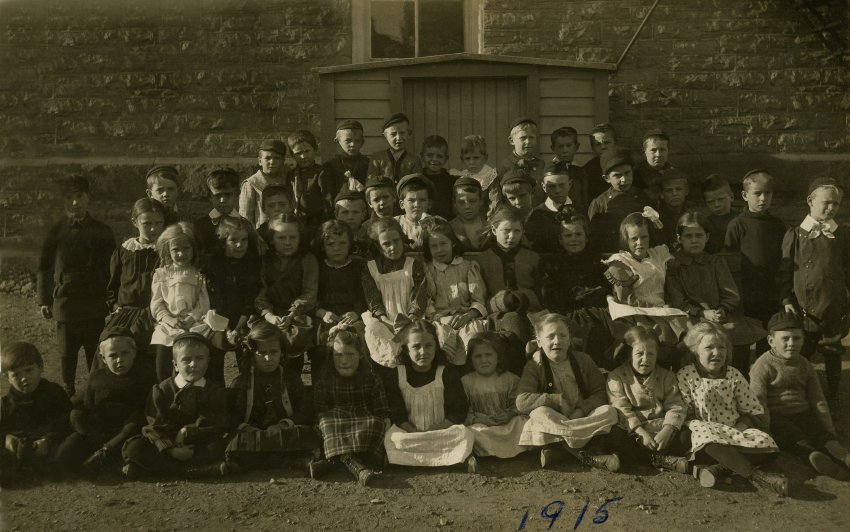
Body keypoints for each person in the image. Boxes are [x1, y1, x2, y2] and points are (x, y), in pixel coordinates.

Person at [677, 323, 788, 496]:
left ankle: (717, 469)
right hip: (703, 433)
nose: (717, 352)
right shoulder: (686, 375)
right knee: (707, 440)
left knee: (768, 446)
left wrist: (738, 429)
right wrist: (714, 432)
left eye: (722, 347)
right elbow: (685, 411)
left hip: (733, 429)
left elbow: (751, 408)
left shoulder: (733, 374)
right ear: (695, 351)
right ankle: (757, 476)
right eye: (709, 348)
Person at [38, 175, 116, 397]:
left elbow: (112, 269)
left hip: (93, 301)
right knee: (66, 354)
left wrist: (111, 299)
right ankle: (68, 391)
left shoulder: (102, 230)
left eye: (79, 196)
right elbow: (44, 267)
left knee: (95, 352)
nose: (75, 202)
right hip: (66, 302)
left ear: (88, 198)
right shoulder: (55, 232)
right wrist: (44, 300)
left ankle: (94, 394)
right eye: (69, 198)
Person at [750, 311, 850, 479]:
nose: (791, 344)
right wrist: (765, 431)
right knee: (795, 438)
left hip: (802, 413)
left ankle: (843, 456)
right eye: (785, 339)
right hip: (777, 417)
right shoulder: (762, 366)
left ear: (803, 339)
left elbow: (818, 399)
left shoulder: (805, 364)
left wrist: (829, 429)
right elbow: (759, 402)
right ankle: (815, 457)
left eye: (797, 338)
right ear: (771, 341)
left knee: (820, 433)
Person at [777, 177, 850, 404]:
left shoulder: (842, 236)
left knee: (832, 350)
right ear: (810, 201)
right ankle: (796, 392)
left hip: (833, 304)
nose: (830, 208)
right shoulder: (796, 235)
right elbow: (785, 271)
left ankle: (833, 394)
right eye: (826, 203)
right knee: (802, 351)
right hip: (804, 306)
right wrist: (786, 298)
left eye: (835, 204)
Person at [665, 212, 766, 376]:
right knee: (693, 339)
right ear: (679, 238)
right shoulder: (673, 265)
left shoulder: (715, 262)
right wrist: (702, 312)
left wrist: (722, 310)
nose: (694, 240)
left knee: (731, 333)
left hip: (718, 315)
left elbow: (731, 294)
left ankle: (732, 380)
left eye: (699, 235)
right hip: (687, 317)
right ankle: (692, 382)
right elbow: (677, 300)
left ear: (707, 237)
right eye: (688, 236)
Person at [515, 314, 620, 471]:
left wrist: (581, 409)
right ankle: (585, 455)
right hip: (556, 419)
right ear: (538, 341)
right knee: (539, 414)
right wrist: (556, 400)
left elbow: (600, 392)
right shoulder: (534, 366)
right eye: (550, 336)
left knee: (609, 411)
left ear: (570, 339)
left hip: (582, 418)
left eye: (562, 335)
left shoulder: (583, 360)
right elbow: (521, 401)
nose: (557, 341)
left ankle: (560, 449)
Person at [121, 332, 229, 479]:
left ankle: (153, 471)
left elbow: (215, 420)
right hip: (167, 444)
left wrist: (188, 431)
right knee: (135, 448)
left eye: (199, 358)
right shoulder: (163, 389)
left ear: (208, 361)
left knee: (217, 447)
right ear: (175, 365)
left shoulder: (213, 390)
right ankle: (192, 471)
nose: (193, 364)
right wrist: (171, 450)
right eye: (186, 359)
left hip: (196, 442)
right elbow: (153, 425)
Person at [224, 323, 320, 476]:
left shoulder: (290, 378)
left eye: (274, 352)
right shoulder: (241, 381)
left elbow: (305, 409)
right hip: (253, 434)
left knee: (309, 435)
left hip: (282, 433)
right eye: (262, 353)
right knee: (234, 442)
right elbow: (230, 415)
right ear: (252, 353)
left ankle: (257, 462)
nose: (268, 358)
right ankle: (291, 461)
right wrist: (246, 427)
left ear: (282, 352)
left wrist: (284, 424)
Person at [55, 327, 151, 477]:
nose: (120, 360)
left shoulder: (143, 377)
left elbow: (144, 412)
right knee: (69, 442)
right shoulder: (96, 377)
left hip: (126, 433)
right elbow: (88, 405)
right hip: (99, 430)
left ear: (134, 353)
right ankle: (95, 455)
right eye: (113, 355)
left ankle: (105, 455)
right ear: (103, 358)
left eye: (125, 353)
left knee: (135, 427)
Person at [383, 320, 476, 471]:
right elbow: (396, 413)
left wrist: (436, 430)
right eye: (416, 346)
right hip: (409, 433)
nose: (423, 352)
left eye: (428, 346)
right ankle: (450, 459)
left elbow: (458, 411)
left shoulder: (447, 373)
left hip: (442, 432)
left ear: (436, 346)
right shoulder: (396, 375)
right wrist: (412, 431)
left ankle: (406, 461)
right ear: (406, 349)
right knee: (394, 438)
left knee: (464, 434)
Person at [539, 207, 622, 370]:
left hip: (598, 312)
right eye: (568, 235)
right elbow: (550, 296)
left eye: (578, 234)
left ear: (586, 237)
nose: (574, 239)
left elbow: (606, 288)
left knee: (618, 331)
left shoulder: (597, 261)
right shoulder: (552, 264)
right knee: (584, 330)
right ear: (560, 239)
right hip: (568, 312)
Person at [312, 328, 392, 486]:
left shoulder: (371, 378)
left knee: (375, 423)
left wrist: (385, 419)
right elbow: (320, 410)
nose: (344, 361)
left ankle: (336, 460)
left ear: (361, 355)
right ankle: (354, 463)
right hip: (335, 419)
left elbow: (381, 408)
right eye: (338, 355)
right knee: (326, 424)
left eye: (350, 354)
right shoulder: (326, 379)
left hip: (361, 418)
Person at [606, 327, 689, 473]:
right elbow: (621, 408)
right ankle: (661, 459)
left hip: (661, 428)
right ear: (629, 354)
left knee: (686, 436)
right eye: (639, 353)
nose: (645, 359)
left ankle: (649, 457)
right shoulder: (617, 376)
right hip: (633, 431)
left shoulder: (667, 376)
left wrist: (668, 429)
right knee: (614, 435)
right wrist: (640, 432)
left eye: (651, 353)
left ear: (657, 354)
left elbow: (676, 405)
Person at [603, 212, 688, 350]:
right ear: (626, 240)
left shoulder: (657, 254)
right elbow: (625, 298)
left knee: (687, 329)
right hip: (636, 310)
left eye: (644, 237)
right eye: (634, 238)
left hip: (660, 308)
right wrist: (655, 307)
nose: (640, 243)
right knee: (654, 333)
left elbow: (675, 253)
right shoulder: (620, 261)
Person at [104, 198, 165, 373]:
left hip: (154, 315)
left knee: (150, 361)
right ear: (135, 222)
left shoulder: (166, 251)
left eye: (158, 223)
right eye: (147, 223)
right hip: (125, 314)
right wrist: (115, 307)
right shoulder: (124, 251)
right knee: (111, 348)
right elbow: (112, 286)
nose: (153, 228)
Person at [360, 218, 429, 368]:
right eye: (386, 244)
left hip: (411, 317)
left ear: (401, 239)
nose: (393, 247)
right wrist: (385, 320)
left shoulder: (413, 264)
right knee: (374, 331)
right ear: (378, 247)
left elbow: (419, 296)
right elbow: (373, 299)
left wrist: (409, 319)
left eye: (396, 241)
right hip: (384, 320)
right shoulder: (370, 268)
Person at [0, 342, 71, 486]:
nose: (24, 378)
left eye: (28, 370)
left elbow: (65, 421)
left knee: (69, 449)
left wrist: (48, 439)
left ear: (40, 367)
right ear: (6, 376)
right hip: (19, 447)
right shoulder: (6, 404)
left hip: (49, 444)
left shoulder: (54, 393)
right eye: (16, 375)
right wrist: (7, 439)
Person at [255, 214, 318, 377]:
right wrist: (269, 316)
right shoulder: (263, 261)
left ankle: (293, 385)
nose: (288, 242)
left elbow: (309, 291)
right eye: (281, 237)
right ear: (271, 239)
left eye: (292, 237)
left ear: (299, 237)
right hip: (269, 314)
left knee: (293, 339)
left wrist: (292, 313)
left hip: (297, 314)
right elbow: (260, 292)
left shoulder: (307, 259)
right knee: (262, 338)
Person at [202, 216, 262, 381]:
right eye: (233, 240)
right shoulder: (214, 265)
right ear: (223, 241)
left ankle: (246, 397)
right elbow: (214, 298)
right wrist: (226, 328)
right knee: (214, 360)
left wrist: (237, 328)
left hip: (243, 319)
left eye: (244, 240)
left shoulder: (251, 265)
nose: (239, 245)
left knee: (248, 363)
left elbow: (249, 299)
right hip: (217, 320)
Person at [724, 169, 785, 333]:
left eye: (768, 193)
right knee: (745, 335)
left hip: (771, 292)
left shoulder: (777, 225)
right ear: (745, 195)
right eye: (757, 193)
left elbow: (782, 258)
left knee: (768, 335)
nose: (763, 198)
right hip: (746, 293)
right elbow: (730, 263)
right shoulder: (737, 225)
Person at [150, 222, 210, 382]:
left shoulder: (198, 274)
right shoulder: (161, 274)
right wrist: (169, 319)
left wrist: (191, 317)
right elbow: (157, 304)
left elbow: (203, 303)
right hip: (169, 324)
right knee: (163, 356)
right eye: (176, 250)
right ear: (168, 251)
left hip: (194, 322)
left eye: (186, 249)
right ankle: (165, 387)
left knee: (193, 353)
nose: (181, 254)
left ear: (193, 249)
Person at [476, 205, 541, 352]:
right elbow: (479, 296)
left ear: (522, 232)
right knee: (513, 321)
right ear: (494, 230)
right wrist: (501, 301)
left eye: (517, 231)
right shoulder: (482, 260)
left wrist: (524, 297)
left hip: (531, 312)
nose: (512, 236)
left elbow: (541, 291)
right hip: (496, 315)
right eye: (506, 231)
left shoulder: (532, 258)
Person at [423, 219, 488, 364]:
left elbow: (478, 299)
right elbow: (427, 301)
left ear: (452, 243)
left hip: (467, 317)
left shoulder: (468, 267)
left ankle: (470, 372)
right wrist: (439, 318)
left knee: (473, 340)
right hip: (440, 320)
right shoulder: (428, 271)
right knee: (442, 341)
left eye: (443, 244)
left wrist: (468, 315)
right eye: (434, 246)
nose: (439, 249)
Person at [312, 220, 367, 377]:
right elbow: (310, 293)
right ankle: (322, 385)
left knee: (356, 338)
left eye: (342, 243)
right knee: (321, 341)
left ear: (350, 244)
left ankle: (357, 381)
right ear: (323, 246)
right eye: (331, 244)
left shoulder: (358, 266)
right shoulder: (317, 266)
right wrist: (320, 312)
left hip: (352, 315)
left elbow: (366, 293)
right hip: (325, 315)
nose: (337, 248)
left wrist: (357, 312)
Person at [462, 332, 528, 459]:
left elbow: (519, 404)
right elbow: (463, 411)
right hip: (482, 425)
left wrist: (509, 414)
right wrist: (479, 420)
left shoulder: (511, 379)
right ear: (470, 359)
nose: (484, 360)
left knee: (521, 422)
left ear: (498, 356)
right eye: (478, 356)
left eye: (488, 355)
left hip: (506, 424)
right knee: (471, 431)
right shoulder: (466, 381)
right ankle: (489, 451)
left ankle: (508, 449)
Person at [587, 147, 653, 254]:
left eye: (627, 173)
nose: (624, 179)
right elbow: (594, 239)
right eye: (617, 175)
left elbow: (653, 231)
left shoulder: (643, 198)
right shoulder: (599, 203)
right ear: (606, 178)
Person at [525, 161, 582, 253]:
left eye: (562, 185)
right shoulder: (537, 214)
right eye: (552, 186)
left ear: (570, 184)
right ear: (544, 187)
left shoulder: (581, 210)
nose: (557, 191)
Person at [288, 129, 334, 235]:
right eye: (298, 153)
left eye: (307, 151)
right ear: (292, 155)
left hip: (317, 226)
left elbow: (328, 202)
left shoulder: (321, 173)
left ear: (315, 149)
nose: (303, 156)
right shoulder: (291, 176)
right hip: (296, 226)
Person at [194, 168, 243, 265]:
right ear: (210, 197)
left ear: (237, 194)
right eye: (217, 195)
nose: (222, 200)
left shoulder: (244, 224)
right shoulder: (200, 226)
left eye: (228, 195)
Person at [240, 139, 289, 228]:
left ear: (283, 161)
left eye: (277, 158)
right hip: (261, 236)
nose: (272, 162)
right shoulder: (251, 184)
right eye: (268, 158)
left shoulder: (286, 181)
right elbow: (245, 218)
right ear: (260, 161)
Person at [496, 117, 545, 206]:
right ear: (511, 140)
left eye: (532, 137)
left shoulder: (541, 165)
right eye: (523, 138)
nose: (528, 141)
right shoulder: (504, 166)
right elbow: (498, 199)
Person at [394, 173, 442, 251]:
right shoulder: (394, 223)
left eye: (422, 200)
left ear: (429, 204)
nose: (417, 205)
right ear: (402, 204)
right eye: (411, 200)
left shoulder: (437, 223)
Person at [369, 113, 421, 183]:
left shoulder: (414, 160)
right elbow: (371, 183)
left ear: (409, 134)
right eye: (393, 134)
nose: (398, 138)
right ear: (385, 137)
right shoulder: (377, 159)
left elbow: (417, 185)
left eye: (402, 133)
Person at [452, 134, 499, 212]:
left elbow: (495, 202)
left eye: (476, 158)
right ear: (462, 160)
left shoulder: (490, 176)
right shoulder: (463, 176)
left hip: (486, 217)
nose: (472, 162)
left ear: (485, 158)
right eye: (467, 158)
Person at [323, 119, 370, 195]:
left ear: (362, 142)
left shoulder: (368, 164)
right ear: (337, 142)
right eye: (348, 141)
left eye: (357, 141)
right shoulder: (329, 166)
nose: (353, 144)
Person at [420, 135, 458, 220]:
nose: (434, 159)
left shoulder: (452, 181)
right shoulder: (418, 179)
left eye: (439, 156)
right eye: (430, 155)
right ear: (422, 156)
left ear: (446, 159)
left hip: (446, 224)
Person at [654, 169, 694, 249]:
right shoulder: (657, 220)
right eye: (669, 190)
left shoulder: (693, 217)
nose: (674, 193)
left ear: (686, 191)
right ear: (661, 194)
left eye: (679, 189)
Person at [700, 174, 739, 254]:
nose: (716, 204)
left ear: (731, 197)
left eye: (720, 199)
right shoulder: (705, 223)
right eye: (711, 201)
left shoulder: (741, 219)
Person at [633, 129, 678, 197]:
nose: (658, 154)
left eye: (662, 150)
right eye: (653, 150)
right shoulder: (636, 174)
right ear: (644, 151)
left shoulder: (673, 173)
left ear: (668, 150)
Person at [448, 176, 488, 251]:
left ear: (481, 201)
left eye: (472, 201)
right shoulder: (449, 228)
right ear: (454, 203)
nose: (467, 206)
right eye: (461, 202)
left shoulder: (489, 226)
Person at [549, 126, 586, 205]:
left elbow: (584, 197)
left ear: (577, 147)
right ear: (553, 148)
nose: (565, 150)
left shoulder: (581, 171)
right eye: (560, 146)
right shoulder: (549, 170)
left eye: (569, 146)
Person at [581, 123, 617, 202]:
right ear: (593, 148)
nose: (603, 147)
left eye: (607, 142)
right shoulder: (588, 170)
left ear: (615, 143)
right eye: (598, 144)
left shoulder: (626, 166)